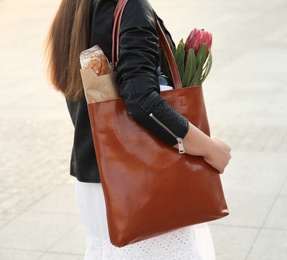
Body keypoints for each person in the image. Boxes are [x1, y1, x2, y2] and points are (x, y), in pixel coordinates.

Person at [46, 0, 231, 259]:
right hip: (140, 185)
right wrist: (210, 149)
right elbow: (142, 99)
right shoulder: (130, 6)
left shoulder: (74, 8)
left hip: (95, 183)